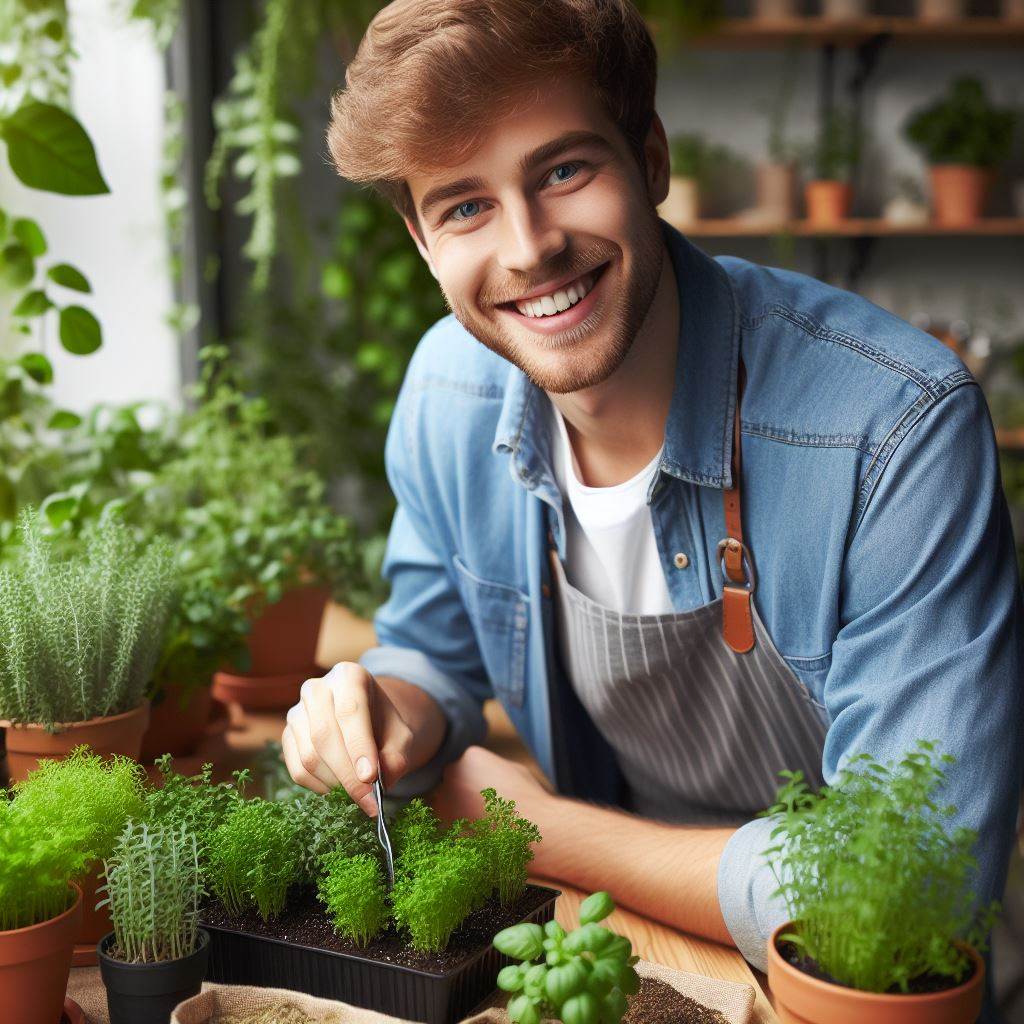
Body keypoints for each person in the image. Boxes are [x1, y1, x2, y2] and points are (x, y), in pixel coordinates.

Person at [282, 0, 1023, 1011]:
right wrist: (383, 710)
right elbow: (430, 651)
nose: (529, 247)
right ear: (421, 240)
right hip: (622, 959)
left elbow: (913, 892)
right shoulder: (447, 393)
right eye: (465, 206)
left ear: (651, 158)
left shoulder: (892, 428)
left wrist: (538, 827)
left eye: (561, 172)